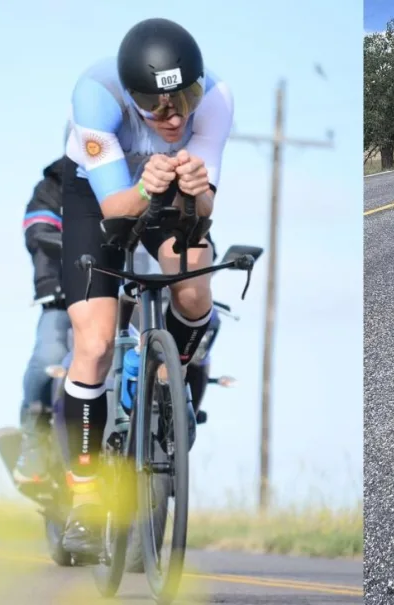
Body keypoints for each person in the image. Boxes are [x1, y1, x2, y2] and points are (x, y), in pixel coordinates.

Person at [58, 17, 233, 556]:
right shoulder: (94, 98)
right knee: (95, 341)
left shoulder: (219, 99)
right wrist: (143, 183)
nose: (173, 115)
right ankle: (85, 501)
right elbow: (116, 209)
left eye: (185, 97)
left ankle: (172, 380)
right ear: (133, 96)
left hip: (170, 191)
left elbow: (204, 205)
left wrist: (198, 192)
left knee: (195, 282)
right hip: (101, 195)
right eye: (157, 106)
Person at [15, 157, 71, 485]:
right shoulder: (55, 184)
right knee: (49, 357)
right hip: (68, 297)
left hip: (128, 300)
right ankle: (34, 438)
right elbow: (39, 233)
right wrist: (53, 284)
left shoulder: (147, 178)